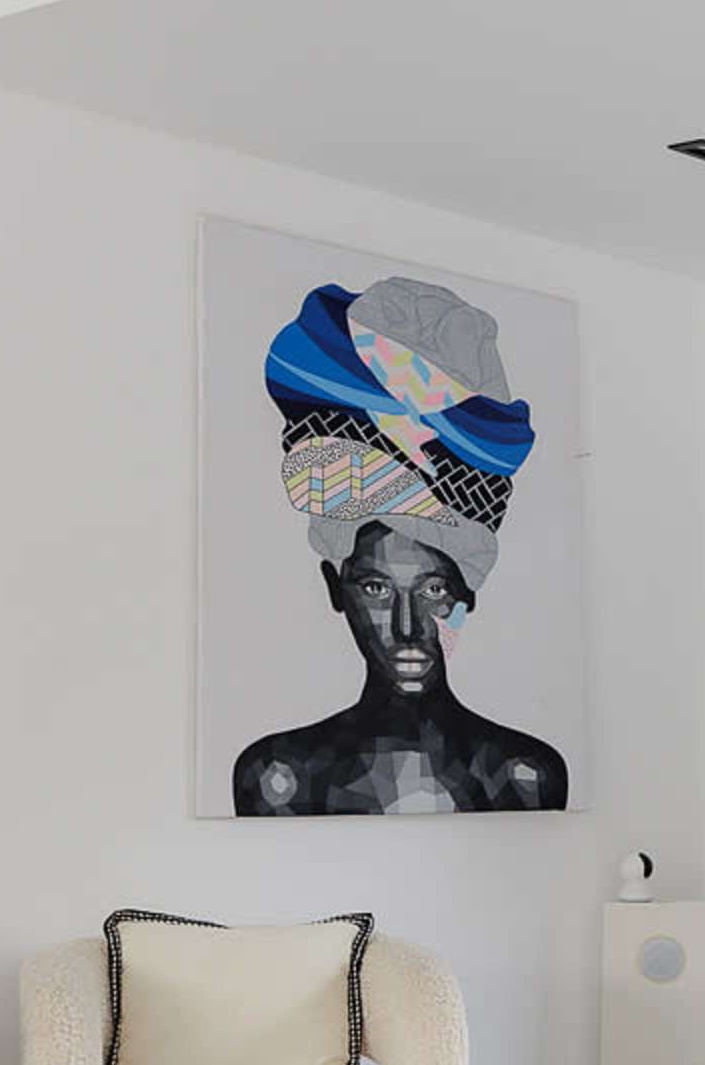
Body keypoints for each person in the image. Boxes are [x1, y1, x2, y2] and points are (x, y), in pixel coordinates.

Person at [232, 277, 568, 815]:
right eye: (376, 588)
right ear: (334, 587)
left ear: (468, 593)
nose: (409, 628)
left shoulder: (523, 777)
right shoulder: (279, 777)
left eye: (434, 588)